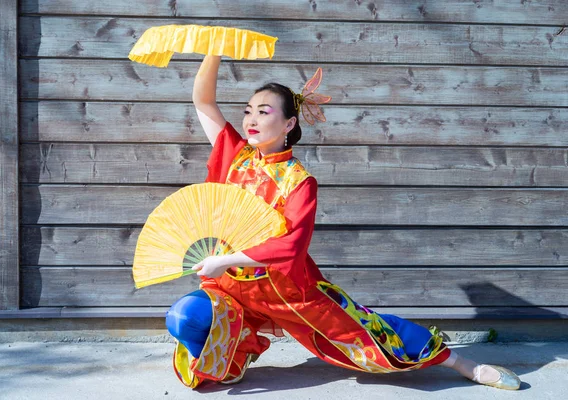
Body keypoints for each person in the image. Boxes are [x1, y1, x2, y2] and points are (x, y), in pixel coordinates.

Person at [165, 55, 521, 390]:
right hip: (230, 289)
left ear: (289, 123)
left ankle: (461, 363)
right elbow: (203, 102)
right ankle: (233, 359)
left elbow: (291, 246)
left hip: (290, 293)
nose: (251, 120)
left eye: (263, 111)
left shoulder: (298, 181)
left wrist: (224, 260)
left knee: (367, 337)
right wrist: (213, 52)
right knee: (183, 318)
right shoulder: (236, 157)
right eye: (247, 112)